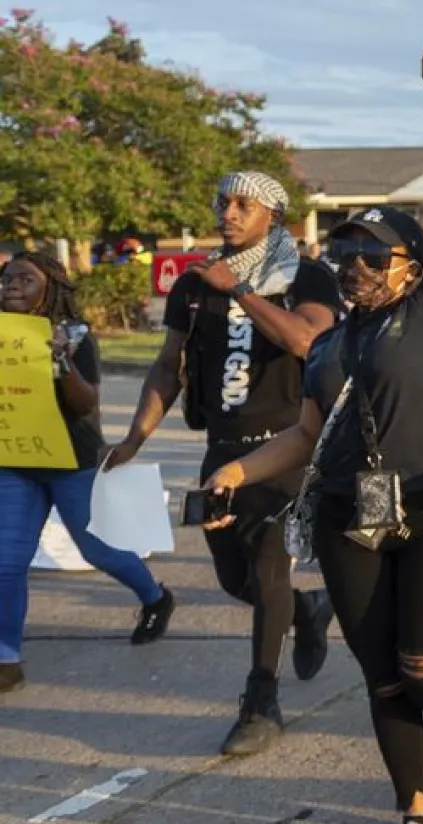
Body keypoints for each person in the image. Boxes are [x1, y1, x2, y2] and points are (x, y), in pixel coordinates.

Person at [202, 54, 423, 824]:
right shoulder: (331, 342)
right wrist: (235, 473)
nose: (357, 268)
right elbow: (304, 434)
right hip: (348, 516)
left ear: (412, 263)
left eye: (374, 256)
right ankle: (413, 815)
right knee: (381, 676)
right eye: (347, 256)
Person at [104, 171, 342, 756]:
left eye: (244, 204)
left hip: (288, 445)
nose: (228, 213)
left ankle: (261, 702)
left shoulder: (305, 276)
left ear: (273, 217)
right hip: (224, 447)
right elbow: (168, 365)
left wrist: (240, 290)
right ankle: (307, 608)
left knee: (266, 566)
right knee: (236, 579)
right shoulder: (193, 283)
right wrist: (136, 435)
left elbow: (306, 342)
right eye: (223, 202)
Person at [0, 253, 175, 695]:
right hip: (14, 462)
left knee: (97, 550)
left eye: (25, 278)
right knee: (6, 562)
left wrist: (59, 359)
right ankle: (6, 656)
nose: (11, 286)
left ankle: (155, 597)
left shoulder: (74, 335)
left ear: (51, 287)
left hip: (69, 461)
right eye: (5, 279)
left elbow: (85, 404)